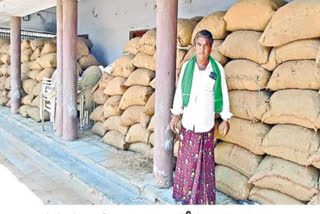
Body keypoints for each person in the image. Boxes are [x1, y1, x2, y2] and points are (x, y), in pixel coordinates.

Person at [170, 30, 232, 205]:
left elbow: (224, 94)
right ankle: (184, 197)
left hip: (206, 124)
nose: (202, 49)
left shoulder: (217, 69)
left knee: (204, 165)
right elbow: (180, 92)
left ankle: (202, 200)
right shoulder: (187, 67)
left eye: (206, 45)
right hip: (189, 123)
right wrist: (176, 114)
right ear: (194, 46)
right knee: (186, 163)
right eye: (199, 45)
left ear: (211, 48)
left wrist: (226, 118)